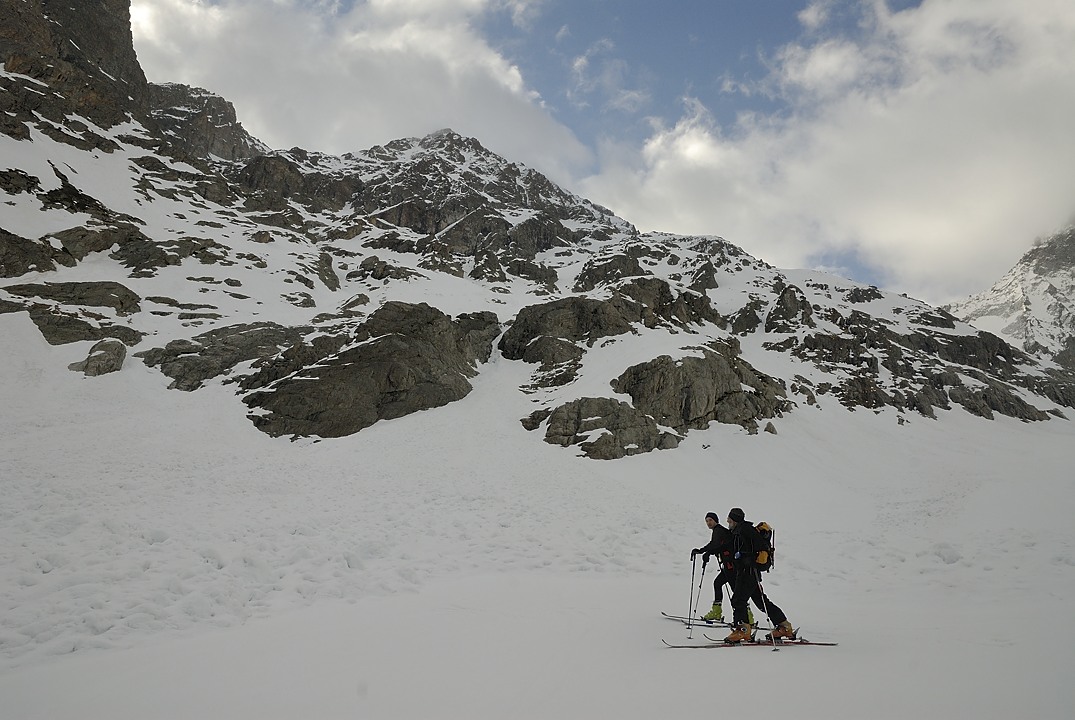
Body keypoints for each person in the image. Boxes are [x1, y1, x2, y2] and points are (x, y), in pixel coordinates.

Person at [723, 507, 795, 643]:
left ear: (735, 520)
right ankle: (784, 626)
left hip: (748, 572)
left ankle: (743, 630)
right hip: (747, 572)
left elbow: (759, 546)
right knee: (762, 601)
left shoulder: (745, 530)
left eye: (730, 520)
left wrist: (747, 558)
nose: (728, 523)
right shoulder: (739, 530)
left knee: (738, 600)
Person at [690, 512, 753, 624]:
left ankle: (747, 617)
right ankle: (718, 612)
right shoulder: (719, 531)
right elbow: (714, 544)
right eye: (707, 521)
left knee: (737, 593)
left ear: (716, 520)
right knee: (718, 584)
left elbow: (716, 545)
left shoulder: (719, 530)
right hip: (729, 566)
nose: (708, 523)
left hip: (731, 566)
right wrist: (702, 551)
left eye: (710, 520)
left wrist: (705, 551)